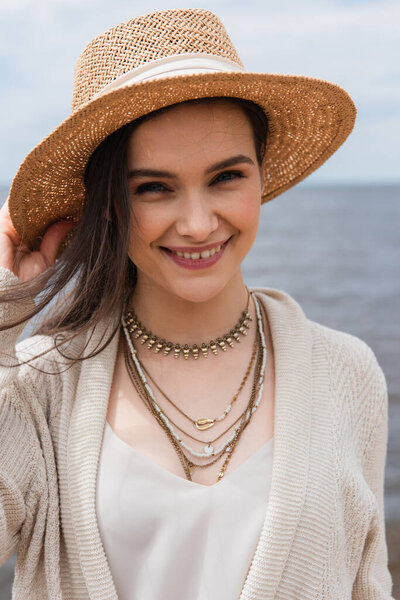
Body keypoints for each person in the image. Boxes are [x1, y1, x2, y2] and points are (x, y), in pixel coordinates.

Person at [0, 8, 394, 600]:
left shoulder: (348, 373)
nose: (197, 222)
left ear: (263, 177)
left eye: (226, 177)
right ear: (107, 203)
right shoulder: (39, 381)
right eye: (153, 187)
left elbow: (367, 584)